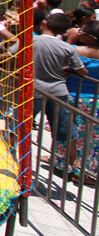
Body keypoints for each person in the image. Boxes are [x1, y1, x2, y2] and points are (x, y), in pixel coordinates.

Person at [33, 13, 87, 168]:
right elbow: (81, 70)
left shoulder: (30, 40)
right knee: (64, 126)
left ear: (44, 23)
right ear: (63, 32)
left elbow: (11, 54)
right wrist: (68, 70)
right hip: (58, 91)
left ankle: (14, 153)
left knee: (20, 122)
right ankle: (73, 159)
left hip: (34, 89)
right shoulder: (66, 47)